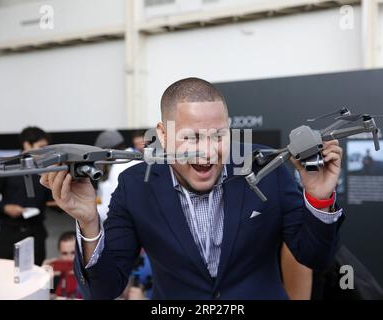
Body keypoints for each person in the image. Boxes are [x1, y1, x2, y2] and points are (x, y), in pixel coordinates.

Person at [40, 77, 344, 299]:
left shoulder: (265, 169)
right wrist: (88, 221)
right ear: (163, 133)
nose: (208, 152)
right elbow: (103, 290)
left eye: (218, 135)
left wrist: (318, 199)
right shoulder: (136, 186)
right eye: (192, 137)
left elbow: (315, 258)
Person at [0, 126, 51, 266]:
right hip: (9, 233)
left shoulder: (47, 168)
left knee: (37, 276)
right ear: (27, 144)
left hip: (36, 232)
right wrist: (5, 208)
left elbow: (49, 197)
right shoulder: (5, 167)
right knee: (5, 275)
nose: (45, 151)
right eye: (41, 147)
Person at [94, 130, 141, 221]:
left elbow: (111, 210)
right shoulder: (134, 158)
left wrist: (86, 207)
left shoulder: (119, 167)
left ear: (107, 150)